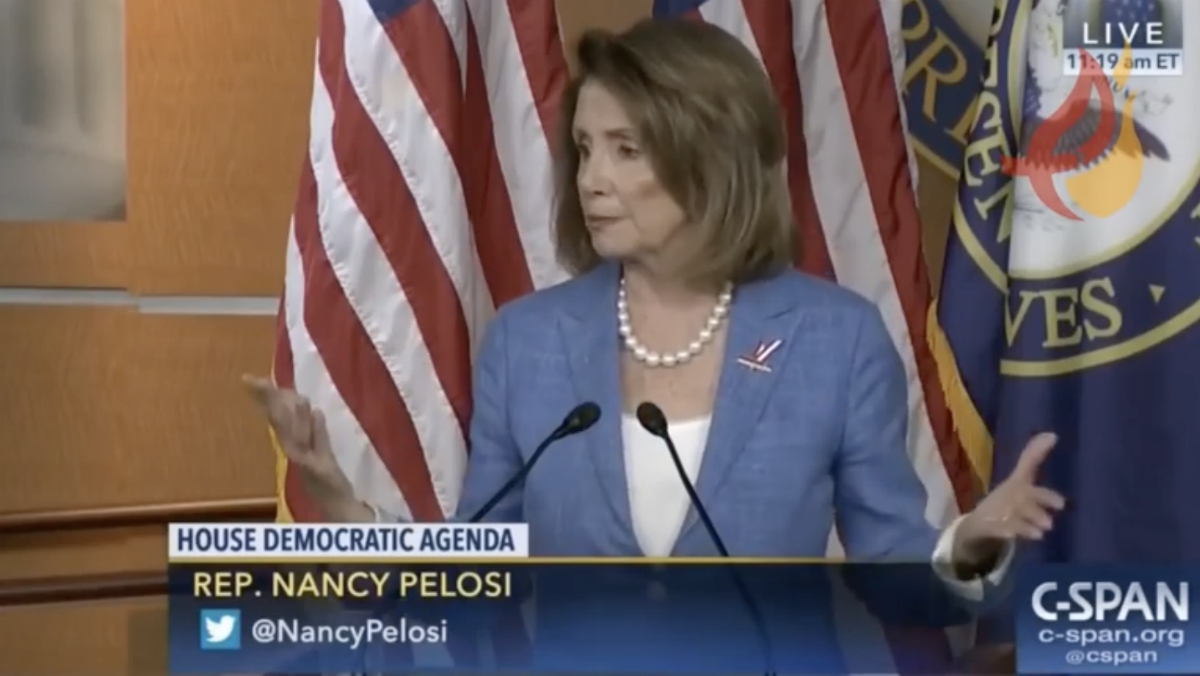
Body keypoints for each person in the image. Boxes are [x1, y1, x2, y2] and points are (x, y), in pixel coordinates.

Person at [246, 17, 1064, 671]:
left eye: (625, 150)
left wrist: (971, 547)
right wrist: (340, 500)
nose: (591, 179)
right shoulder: (529, 344)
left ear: (710, 158)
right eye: (584, 149)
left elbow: (895, 572)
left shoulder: (834, 340)